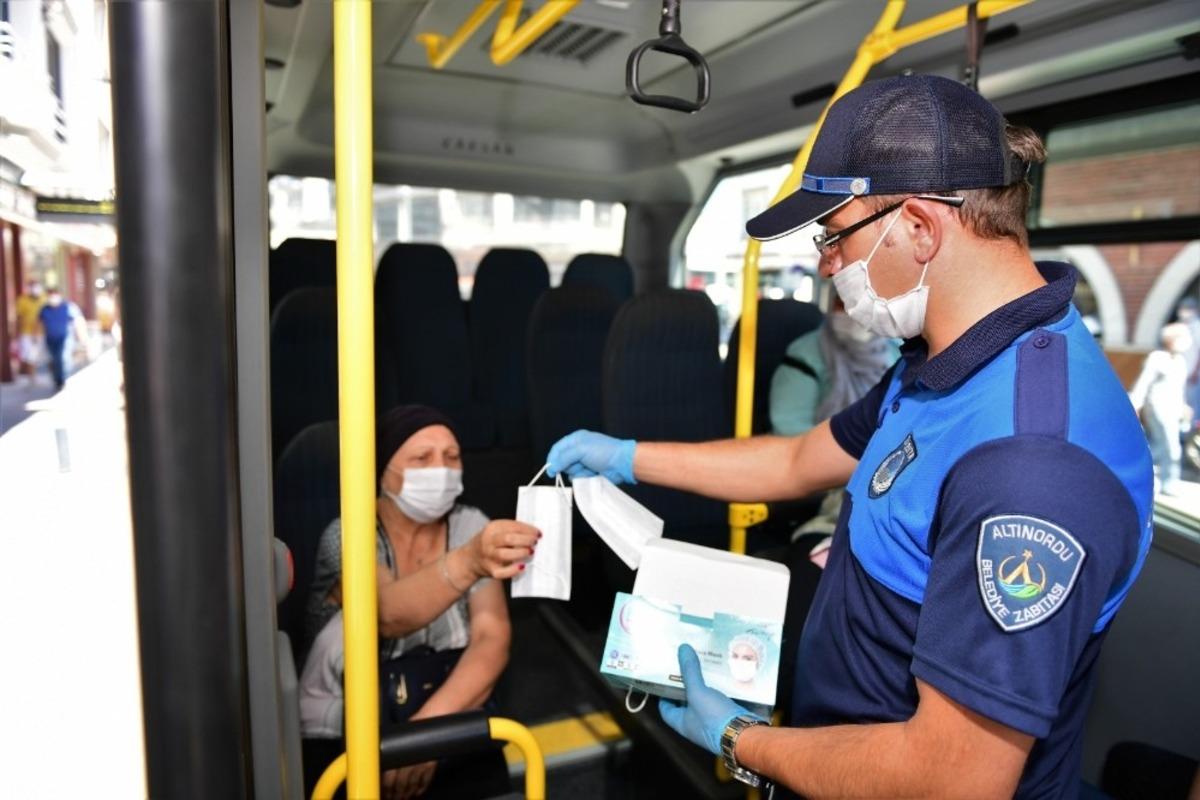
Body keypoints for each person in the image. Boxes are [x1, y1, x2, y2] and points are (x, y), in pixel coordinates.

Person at [547, 74, 1152, 799]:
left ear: (922, 227)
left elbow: (951, 780)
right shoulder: (944, 361)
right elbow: (802, 459)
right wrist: (627, 457)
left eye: (835, 236)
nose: (826, 265)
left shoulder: (1032, 466)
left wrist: (743, 741)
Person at [300, 405, 540, 800]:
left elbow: (491, 638)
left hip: (445, 713)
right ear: (383, 472)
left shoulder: (469, 524)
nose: (440, 470)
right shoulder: (346, 535)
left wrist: (424, 740)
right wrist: (470, 561)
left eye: (451, 457)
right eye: (421, 458)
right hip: (351, 732)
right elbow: (387, 615)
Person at [1129, 322, 1192, 496]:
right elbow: (1143, 383)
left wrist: (1184, 406)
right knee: (1171, 447)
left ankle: (1139, 474)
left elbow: (1180, 388)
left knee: (1157, 447)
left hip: (1174, 409)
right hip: (1157, 407)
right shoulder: (1157, 358)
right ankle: (1168, 483)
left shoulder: (1180, 360)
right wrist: (1135, 405)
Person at [36, 287, 87, 391]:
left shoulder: (68, 307)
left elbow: (77, 321)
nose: (52, 298)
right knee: (54, 359)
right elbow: (39, 323)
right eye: (50, 295)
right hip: (50, 338)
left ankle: (62, 379)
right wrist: (36, 337)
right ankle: (57, 379)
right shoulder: (44, 309)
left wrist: (82, 337)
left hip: (64, 338)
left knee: (62, 358)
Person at [14, 281, 44, 385]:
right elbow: (19, 317)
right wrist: (16, 333)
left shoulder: (43, 299)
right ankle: (32, 378)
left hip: (41, 333)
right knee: (29, 356)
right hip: (26, 333)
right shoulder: (22, 300)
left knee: (38, 356)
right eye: (31, 287)